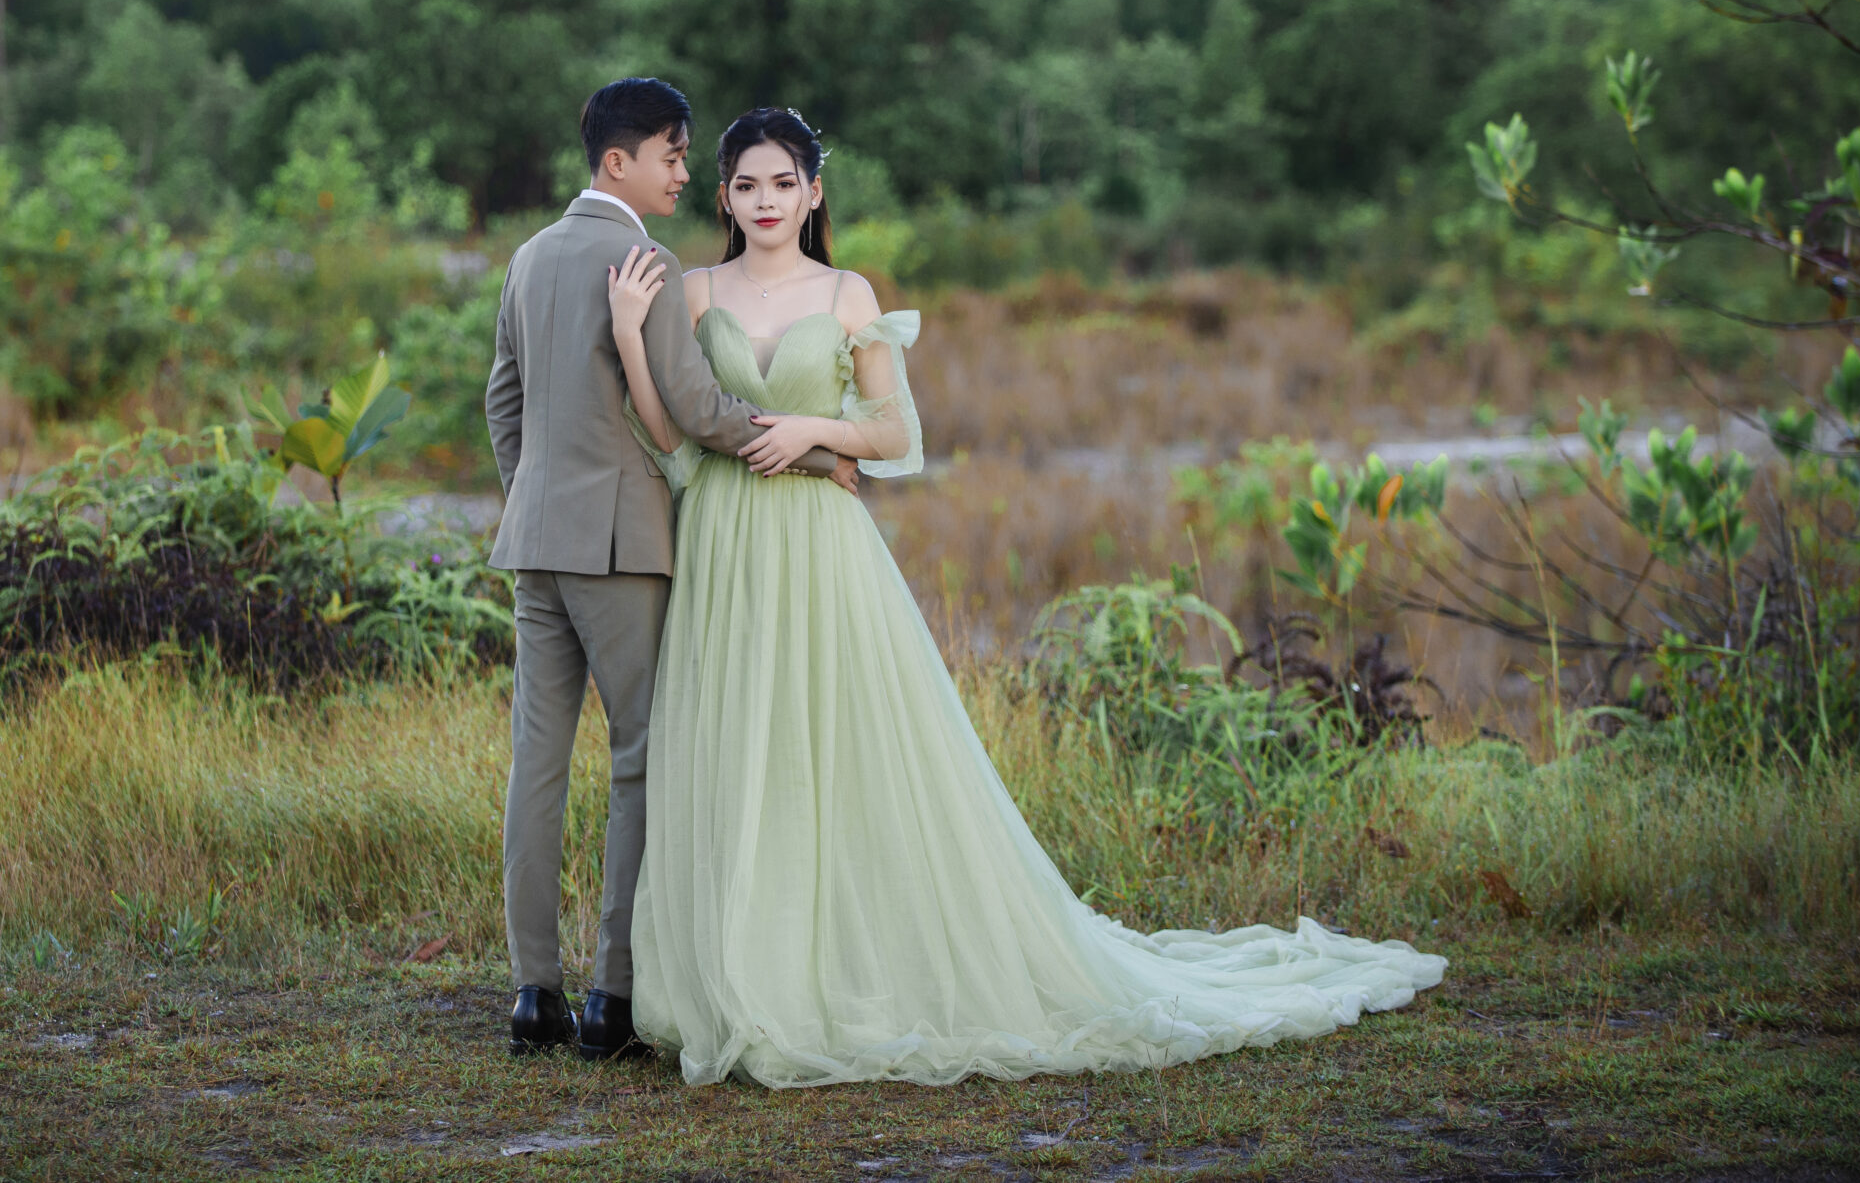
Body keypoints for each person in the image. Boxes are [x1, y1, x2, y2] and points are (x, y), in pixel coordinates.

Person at [606, 106, 1446, 1089]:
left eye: (782, 183)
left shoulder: (845, 292)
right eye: (746, 185)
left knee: (825, 749)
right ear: (722, 196)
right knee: (732, 748)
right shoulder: (695, 289)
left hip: (818, 547)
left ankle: (834, 975)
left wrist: (811, 432)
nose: (764, 202)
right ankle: (737, 979)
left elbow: (897, 435)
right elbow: (669, 431)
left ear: (813, 192)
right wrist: (628, 331)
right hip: (723, 543)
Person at [484, 78, 861, 1063]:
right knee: (642, 756)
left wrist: (532, 500)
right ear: (619, 161)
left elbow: (502, 401)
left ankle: (532, 993)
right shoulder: (641, 259)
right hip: (620, 546)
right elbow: (695, 408)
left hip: (533, 544)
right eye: (672, 154)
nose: (684, 173)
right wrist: (819, 452)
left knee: (536, 760)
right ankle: (612, 997)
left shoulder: (528, 255)